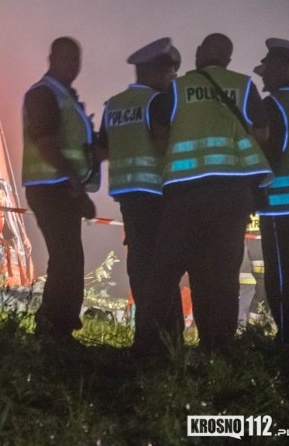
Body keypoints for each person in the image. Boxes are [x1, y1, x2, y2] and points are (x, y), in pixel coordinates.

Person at [133, 33, 274, 355]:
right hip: (232, 195)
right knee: (223, 273)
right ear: (228, 58)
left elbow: (158, 137)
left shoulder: (177, 89)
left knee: (165, 270)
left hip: (186, 194)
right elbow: (262, 135)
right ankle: (218, 348)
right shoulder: (244, 85)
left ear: (198, 54)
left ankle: (147, 346)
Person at [96, 37, 185, 350]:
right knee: (164, 269)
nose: (173, 80)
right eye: (171, 73)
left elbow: (101, 151)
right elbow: (163, 145)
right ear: (159, 72)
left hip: (129, 198)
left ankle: (146, 337)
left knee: (140, 266)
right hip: (159, 196)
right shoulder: (157, 103)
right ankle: (166, 339)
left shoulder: (114, 105)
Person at [22, 36, 98, 343]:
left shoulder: (62, 95)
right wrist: (72, 180)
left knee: (68, 257)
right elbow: (45, 143)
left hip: (61, 188)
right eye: (67, 59)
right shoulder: (44, 94)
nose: (73, 66)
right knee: (66, 258)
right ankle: (53, 328)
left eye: (76, 60)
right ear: (52, 58)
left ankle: (58, 326)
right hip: (51, 187)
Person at [254, 37, 289, 352]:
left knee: (284, 277)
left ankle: (288, 340)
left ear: (288, 68)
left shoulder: (274, 106)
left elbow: (266, 156)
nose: (262, 76)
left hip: (281, 207)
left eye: (267, 69)